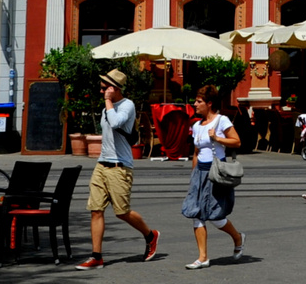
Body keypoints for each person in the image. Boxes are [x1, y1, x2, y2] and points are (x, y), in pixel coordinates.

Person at [76, 70, 160, 270]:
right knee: (96, 210)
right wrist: (107, 102)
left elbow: (115, 123)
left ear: (115, 88)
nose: (101, 90)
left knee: (121, 211)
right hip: (102, 164)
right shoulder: (109, 106)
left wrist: (108, 101)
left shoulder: (127, 105)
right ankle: (96, 256)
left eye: (105, 87)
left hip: (119, 166)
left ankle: (150, 235)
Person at [180, 84, 245, 268]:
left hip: (216, 174)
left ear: (209, 103)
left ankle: (237, 237)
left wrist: (217, 138)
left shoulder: (221, 120)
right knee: (197, 214)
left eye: (198, 101)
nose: (195, 104)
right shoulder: (196, 125)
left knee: (215, 216)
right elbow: (196, 152)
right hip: (200, 172)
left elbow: (237, 141)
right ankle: (202, 257)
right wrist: (193, 176)